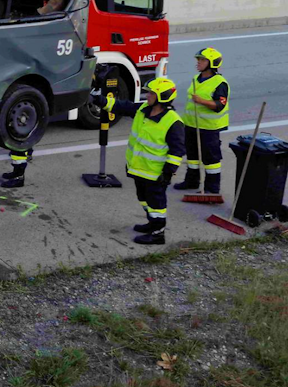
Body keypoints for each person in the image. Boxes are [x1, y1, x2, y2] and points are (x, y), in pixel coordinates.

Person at [94, 77, 186, 245]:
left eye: (151, 93)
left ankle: (158, 233)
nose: (147, 96)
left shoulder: (173, 122)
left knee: (156, 204)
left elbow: (177, 151)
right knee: (143, 198)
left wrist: (168, 172)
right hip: (139, 169)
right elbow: (121, 106)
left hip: (155, 173)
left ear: (162, 96)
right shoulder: (144, 109)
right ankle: (152, 223)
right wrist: (98, 99)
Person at [175, 48, 229, 194]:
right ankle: (192, 181)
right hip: (191, 125)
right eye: (198, 59)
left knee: (211, 160)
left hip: (208, 128)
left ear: (211, 63)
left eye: (202, 60)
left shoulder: (219, 83)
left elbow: (219, 105)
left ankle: (212, 188)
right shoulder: (196, 78)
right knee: (192, 156)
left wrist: (202, 101)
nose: (198, 62)